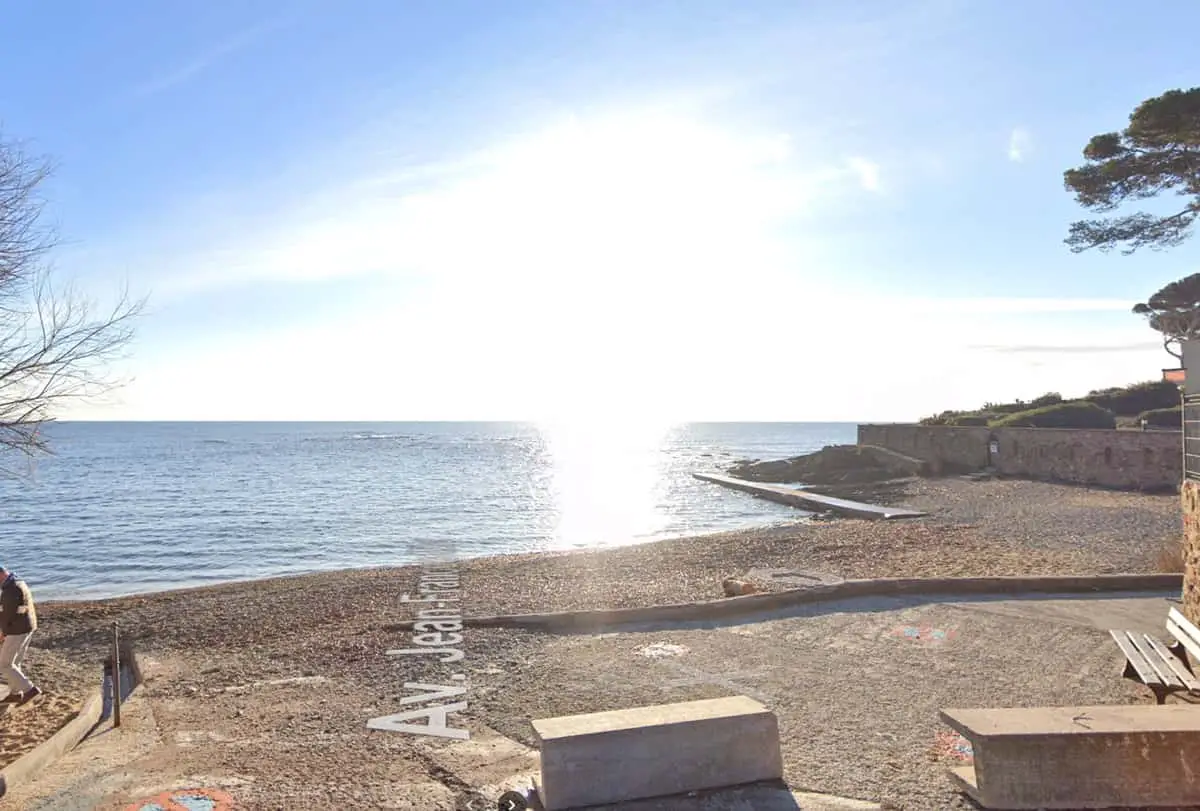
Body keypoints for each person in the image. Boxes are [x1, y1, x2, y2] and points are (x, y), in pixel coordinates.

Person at [0, 565, 40, 705]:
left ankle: (29, 689)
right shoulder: (18, 582)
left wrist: (3, 633)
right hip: (27, 626)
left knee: (4, 664)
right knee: (14, 662)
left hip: (17, 630)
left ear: (1, 575)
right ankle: (16, 693)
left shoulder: (10, 590)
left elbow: (7, 615)